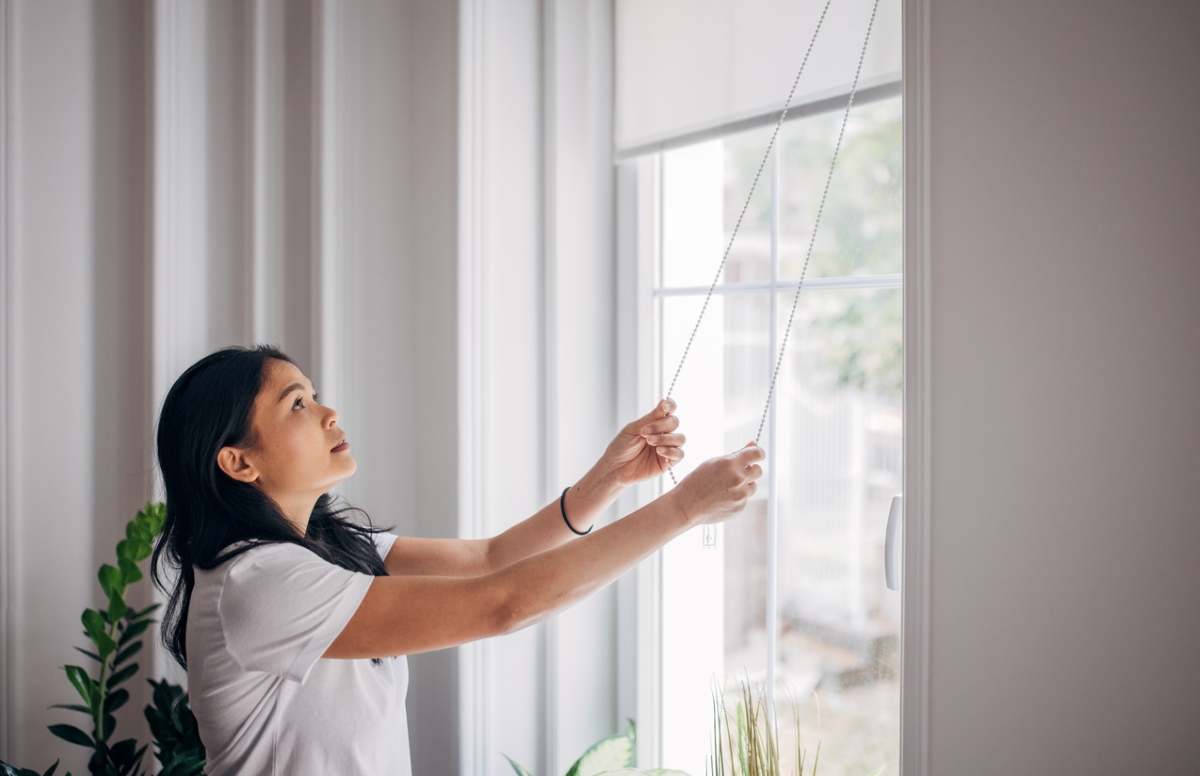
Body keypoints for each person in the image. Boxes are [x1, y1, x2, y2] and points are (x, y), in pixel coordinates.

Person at [152, 345, 764, 776]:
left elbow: (487, 559)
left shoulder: (325, 548)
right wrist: (682, 509)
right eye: (295, 406)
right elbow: (503, 603)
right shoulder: (259, 582)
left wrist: (609, 479)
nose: (328, 413)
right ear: (238, 462)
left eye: (314, 397)